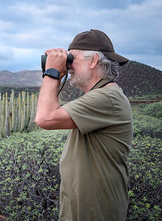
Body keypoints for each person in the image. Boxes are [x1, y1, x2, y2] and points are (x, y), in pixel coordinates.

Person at [35, 29, 133, 220]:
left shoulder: (107, 97)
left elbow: (44, 118)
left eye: (72, 58)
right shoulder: (101, 95)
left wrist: (53, 72)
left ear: (94, 60)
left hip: (94, 211)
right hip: (84, 208)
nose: (68, 65)